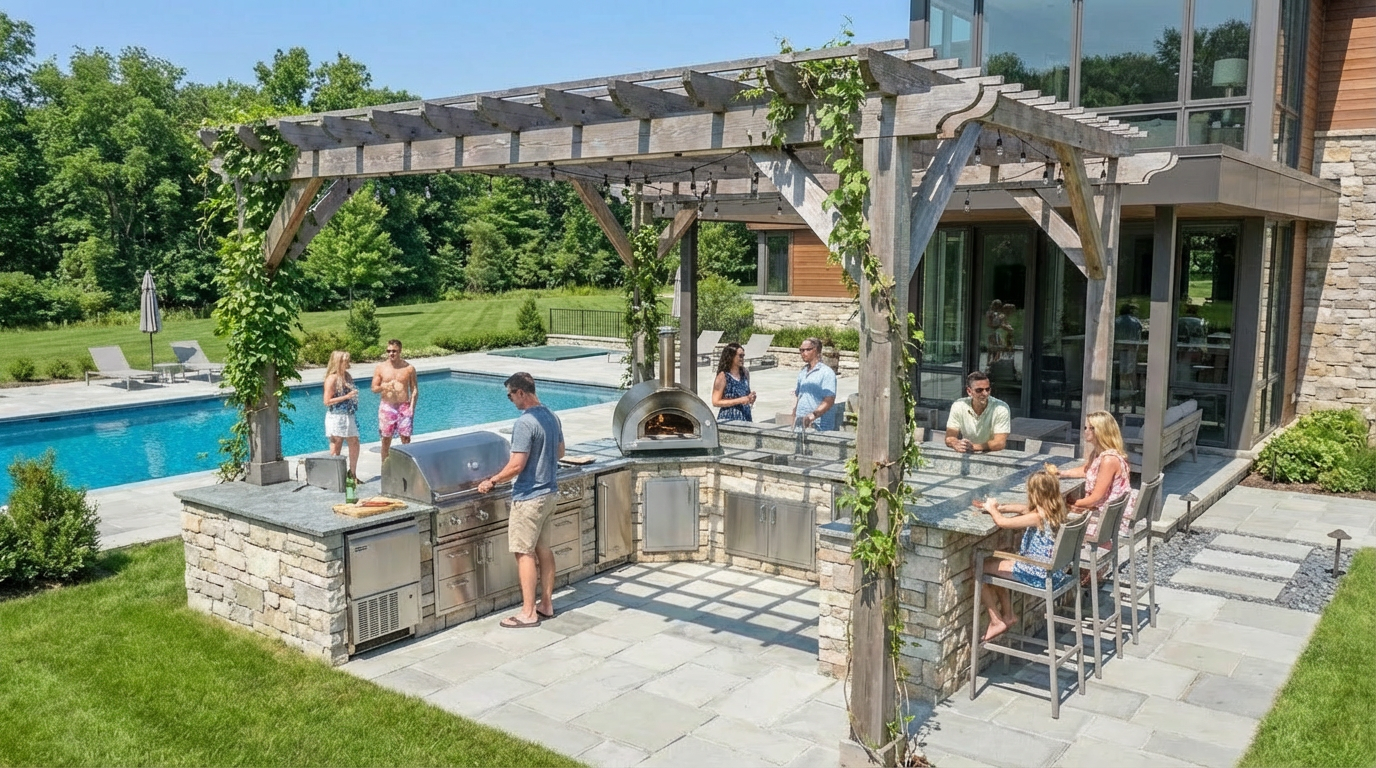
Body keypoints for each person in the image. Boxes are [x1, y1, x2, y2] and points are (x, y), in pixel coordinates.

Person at [478, 372, 565, 629]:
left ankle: (528, 613)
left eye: (510, 395)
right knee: (544, 550)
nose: (511, 400)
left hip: (529, 497)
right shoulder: (551, 416)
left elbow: (516, 465)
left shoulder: (525, 422)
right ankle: (546, 604)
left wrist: (492, 480)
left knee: (524, 553)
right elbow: (560, 452)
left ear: (521, 393)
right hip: (550, 493)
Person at [973, 464, 1078, 641]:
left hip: (1037, 574)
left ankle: (997, 620)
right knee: (997, 563)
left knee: (980, 565)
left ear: (1035, 494)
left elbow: (1003, 524)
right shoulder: (1055, 510)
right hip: (1055, 573)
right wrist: (1000, 506)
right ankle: (1008, 616)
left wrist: (992, 511)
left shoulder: (1037, 517)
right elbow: (1022, 509)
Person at [1060, 410, 1133, 542]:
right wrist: (1062, 473)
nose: (1086, 431)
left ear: (1102, 431)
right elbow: (1088, 470)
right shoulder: (1100, 453)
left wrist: (1070, 505)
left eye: (1092, 428)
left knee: (1055, 517)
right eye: (1086, 427)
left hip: (1108, 521)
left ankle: (1060, 555)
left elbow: (1096, 497)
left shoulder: (1109, 460)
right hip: (1105, 511)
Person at [371, 338, 418, 466]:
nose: (391, 353)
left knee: (406, 438)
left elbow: (414, 389)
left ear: (400, 351)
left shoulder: (408, 368)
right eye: (389, 351)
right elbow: (374, 388)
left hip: (404, 407)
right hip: (387, 407)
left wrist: (412, 407)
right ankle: (385, 467)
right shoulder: (381, 368)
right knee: (386, 439)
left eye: (394, 351)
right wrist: (384, 387)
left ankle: (407, 467)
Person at [945, 371, 1011, 453]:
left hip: (993, 454)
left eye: (987, 389)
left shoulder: (1001, 408)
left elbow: (1000, 443)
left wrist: (973, 447)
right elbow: (949, 437)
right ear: (969, 391)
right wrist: (955, 443)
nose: (985, 393)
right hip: (967, 453)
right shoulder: (958, 406)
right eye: (979, 390)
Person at [322, 350, 360, 480]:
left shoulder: (347, 376)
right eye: (345, 361)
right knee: (336, 445)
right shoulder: (331, 379)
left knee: (354, 441)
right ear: (338, 362)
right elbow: (327, 401)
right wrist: (346, 396)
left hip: (349, 415)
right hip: (336, 416)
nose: (348, 363)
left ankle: (352, 474)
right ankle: (335, 476)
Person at [791, 336, 837, 431]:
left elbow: (829, 400)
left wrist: (813, 416)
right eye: (801, 350)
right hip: (801, 424)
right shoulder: (803, 372)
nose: (803, 353)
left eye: (807, 350)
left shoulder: (826, 373)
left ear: (816, 350)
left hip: (819, 426)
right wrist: (794, 416)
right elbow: (798, 395)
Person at [711, 342, 756, 422]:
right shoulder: (723, 376)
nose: (742, 358)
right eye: (740, 356)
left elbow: (745, 395)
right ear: (731, 357)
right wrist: (739, 400)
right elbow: (715, 401)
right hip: (729, 418)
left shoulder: (745, 373)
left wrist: (750, 398)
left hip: (745, 417)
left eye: (743, 356)